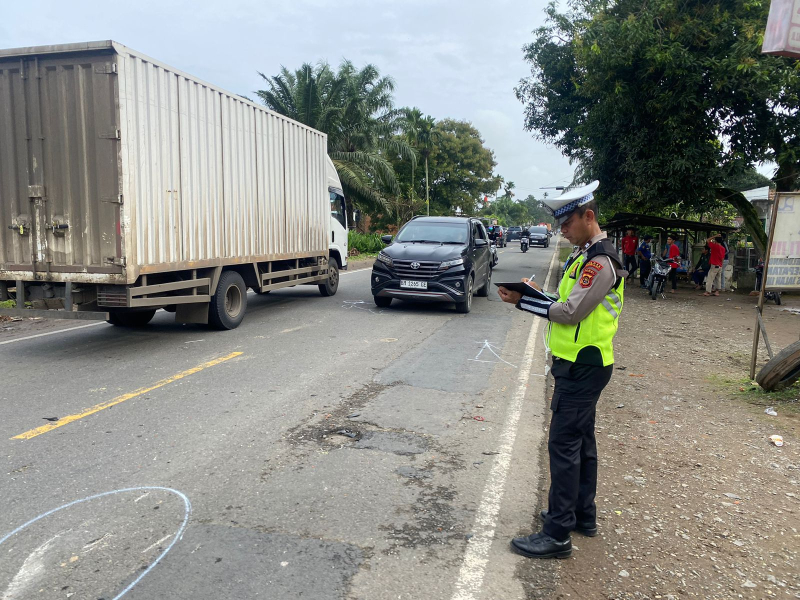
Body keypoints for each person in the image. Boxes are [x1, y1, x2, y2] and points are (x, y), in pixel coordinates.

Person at [497, 180, 627, 560]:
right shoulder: (586, 256)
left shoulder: (599, 262)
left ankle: (556, 533)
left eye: (566, 223)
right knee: (582, 441)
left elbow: (570, 313)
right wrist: (537, 293)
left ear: (589, 216)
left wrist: (524, 303)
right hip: (584, 364)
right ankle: (582, 516)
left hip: (582, 367)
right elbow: (565, 301)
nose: (562, 231)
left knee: (564, 446)